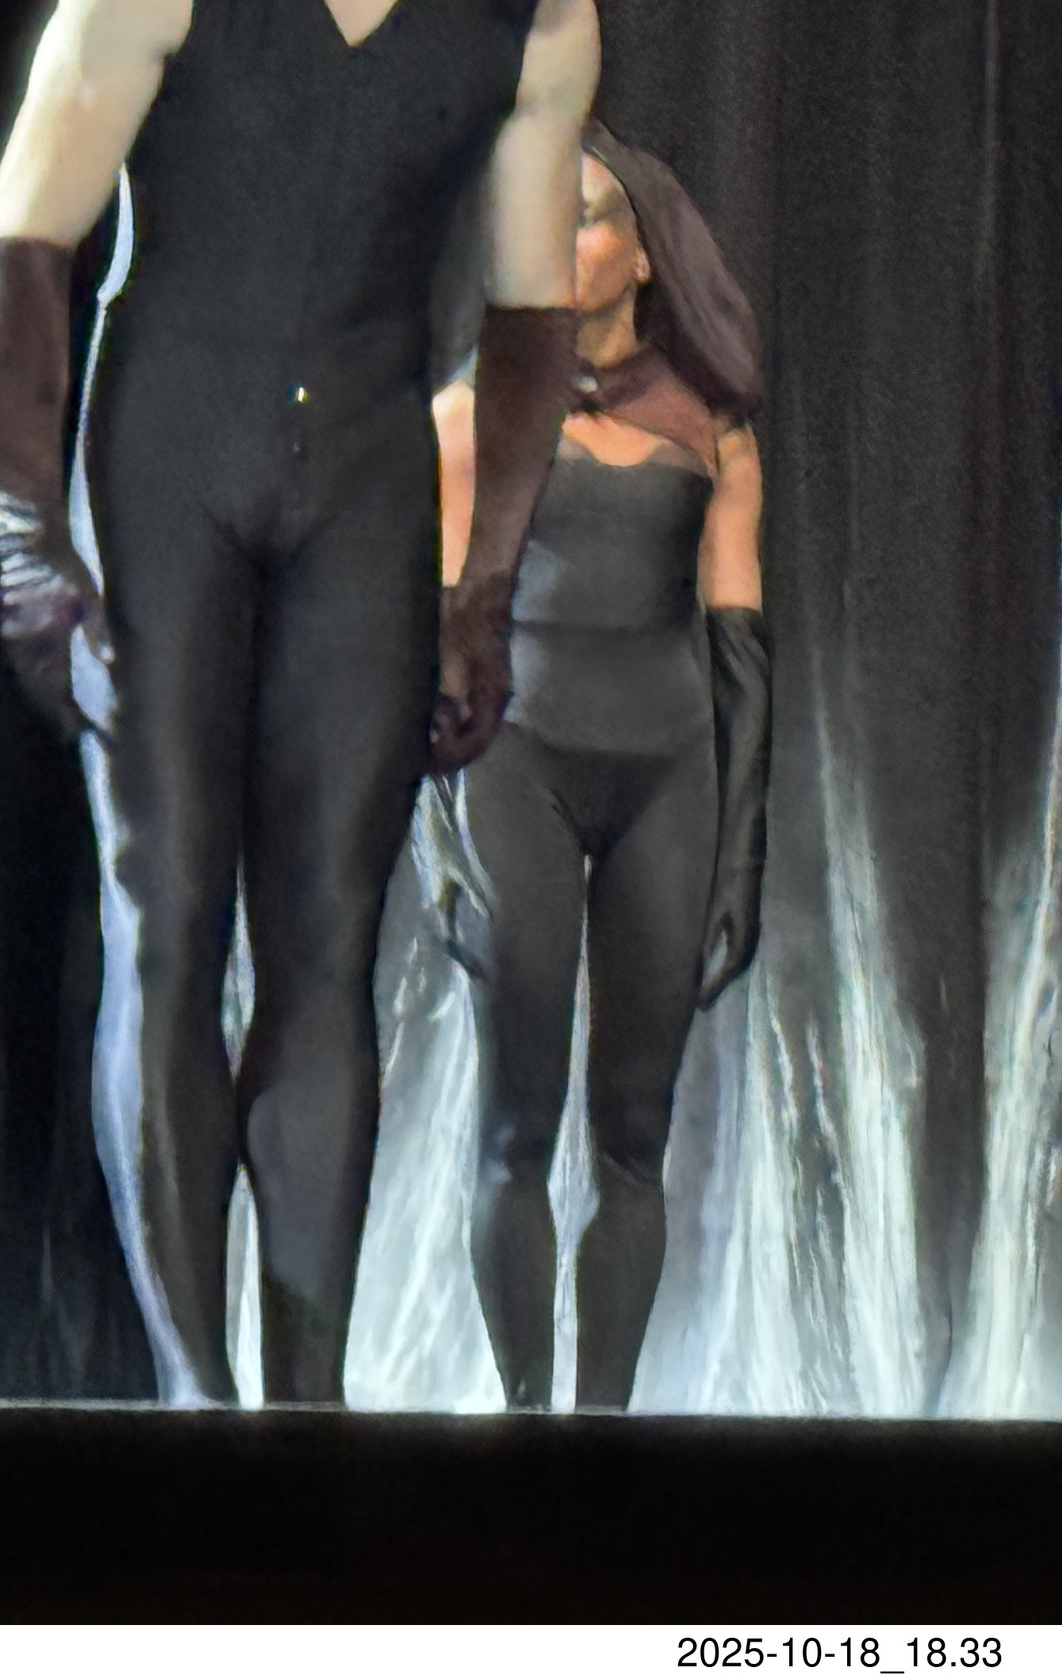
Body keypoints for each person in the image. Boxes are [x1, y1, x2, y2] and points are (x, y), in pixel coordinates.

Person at [0, 0, 603, 1404]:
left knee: (327, 940)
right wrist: (28, 538)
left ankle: (305, 1405)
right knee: (171, 920)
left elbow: (533, 317)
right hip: (165, 463)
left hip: (364, 494)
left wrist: (484, 585)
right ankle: (200, 1400)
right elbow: (27, 248)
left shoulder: (524, 14)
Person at [433, 127, 766, 1410]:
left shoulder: (712, 432)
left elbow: (742, 660)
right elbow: (434, 648)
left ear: (642, 253)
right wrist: (433, 836)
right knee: (517, 1124)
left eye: (582, 218)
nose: (554, 242)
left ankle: (601, 1431)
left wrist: (741, 852)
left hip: (666, 778)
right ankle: (527, 1423)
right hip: (516, 763)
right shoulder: (469, 418)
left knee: (633, 1137)